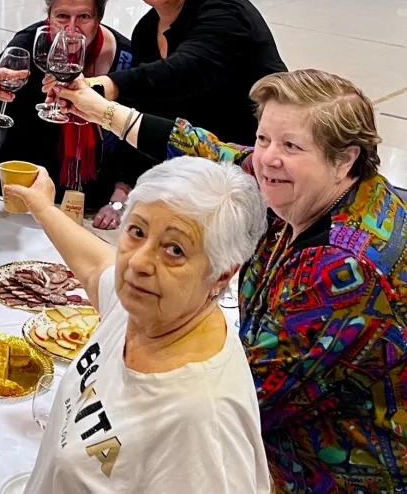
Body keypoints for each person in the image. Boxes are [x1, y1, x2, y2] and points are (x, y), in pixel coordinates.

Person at [52, 68, 407, 492]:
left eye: (290, 145)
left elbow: (243, 394)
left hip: (326, 470)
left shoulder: (346, 269)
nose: (266, 159)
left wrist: (110, 371)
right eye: (263, 139)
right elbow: (213, 153)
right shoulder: (303, 182)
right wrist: (102, 111)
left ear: (344, 158)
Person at [8, 157, 271, 492]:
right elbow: (94, 266)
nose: (138, 262)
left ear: (221, 275)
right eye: (137, 231)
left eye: (175, 250)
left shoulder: (201, 420)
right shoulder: (146, 308)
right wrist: (42, 207)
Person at [87, 0, 285, 147]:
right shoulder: (146, 30)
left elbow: (187, 69)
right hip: (189, 160)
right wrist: (123, 182)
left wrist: (111, 84)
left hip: (258, 159)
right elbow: (146, 114)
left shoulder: (226, 12)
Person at [0, 0, 134, 229]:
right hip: (31, 193)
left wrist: (119, 200)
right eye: (62, 16)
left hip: (99, 201)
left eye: (84, 16)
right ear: (49, 16)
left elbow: (136, 141)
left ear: (99, 18)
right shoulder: (31, 44)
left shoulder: (127, 58)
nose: (71, 28)